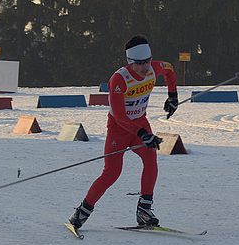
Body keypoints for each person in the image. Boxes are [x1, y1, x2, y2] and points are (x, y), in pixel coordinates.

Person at [68, 34, 178, 229]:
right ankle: (81, 212)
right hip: (119, 129)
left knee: (151, 159)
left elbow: (170, 70)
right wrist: (143, 134)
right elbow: (120, 117)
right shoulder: (119, 79)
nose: (145, 67)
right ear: (130, 62)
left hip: (140, 124)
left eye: (148, 61)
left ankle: (144, 211)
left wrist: (173, 96)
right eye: (140, 63)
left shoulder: (154, 68)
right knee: (112, 173)